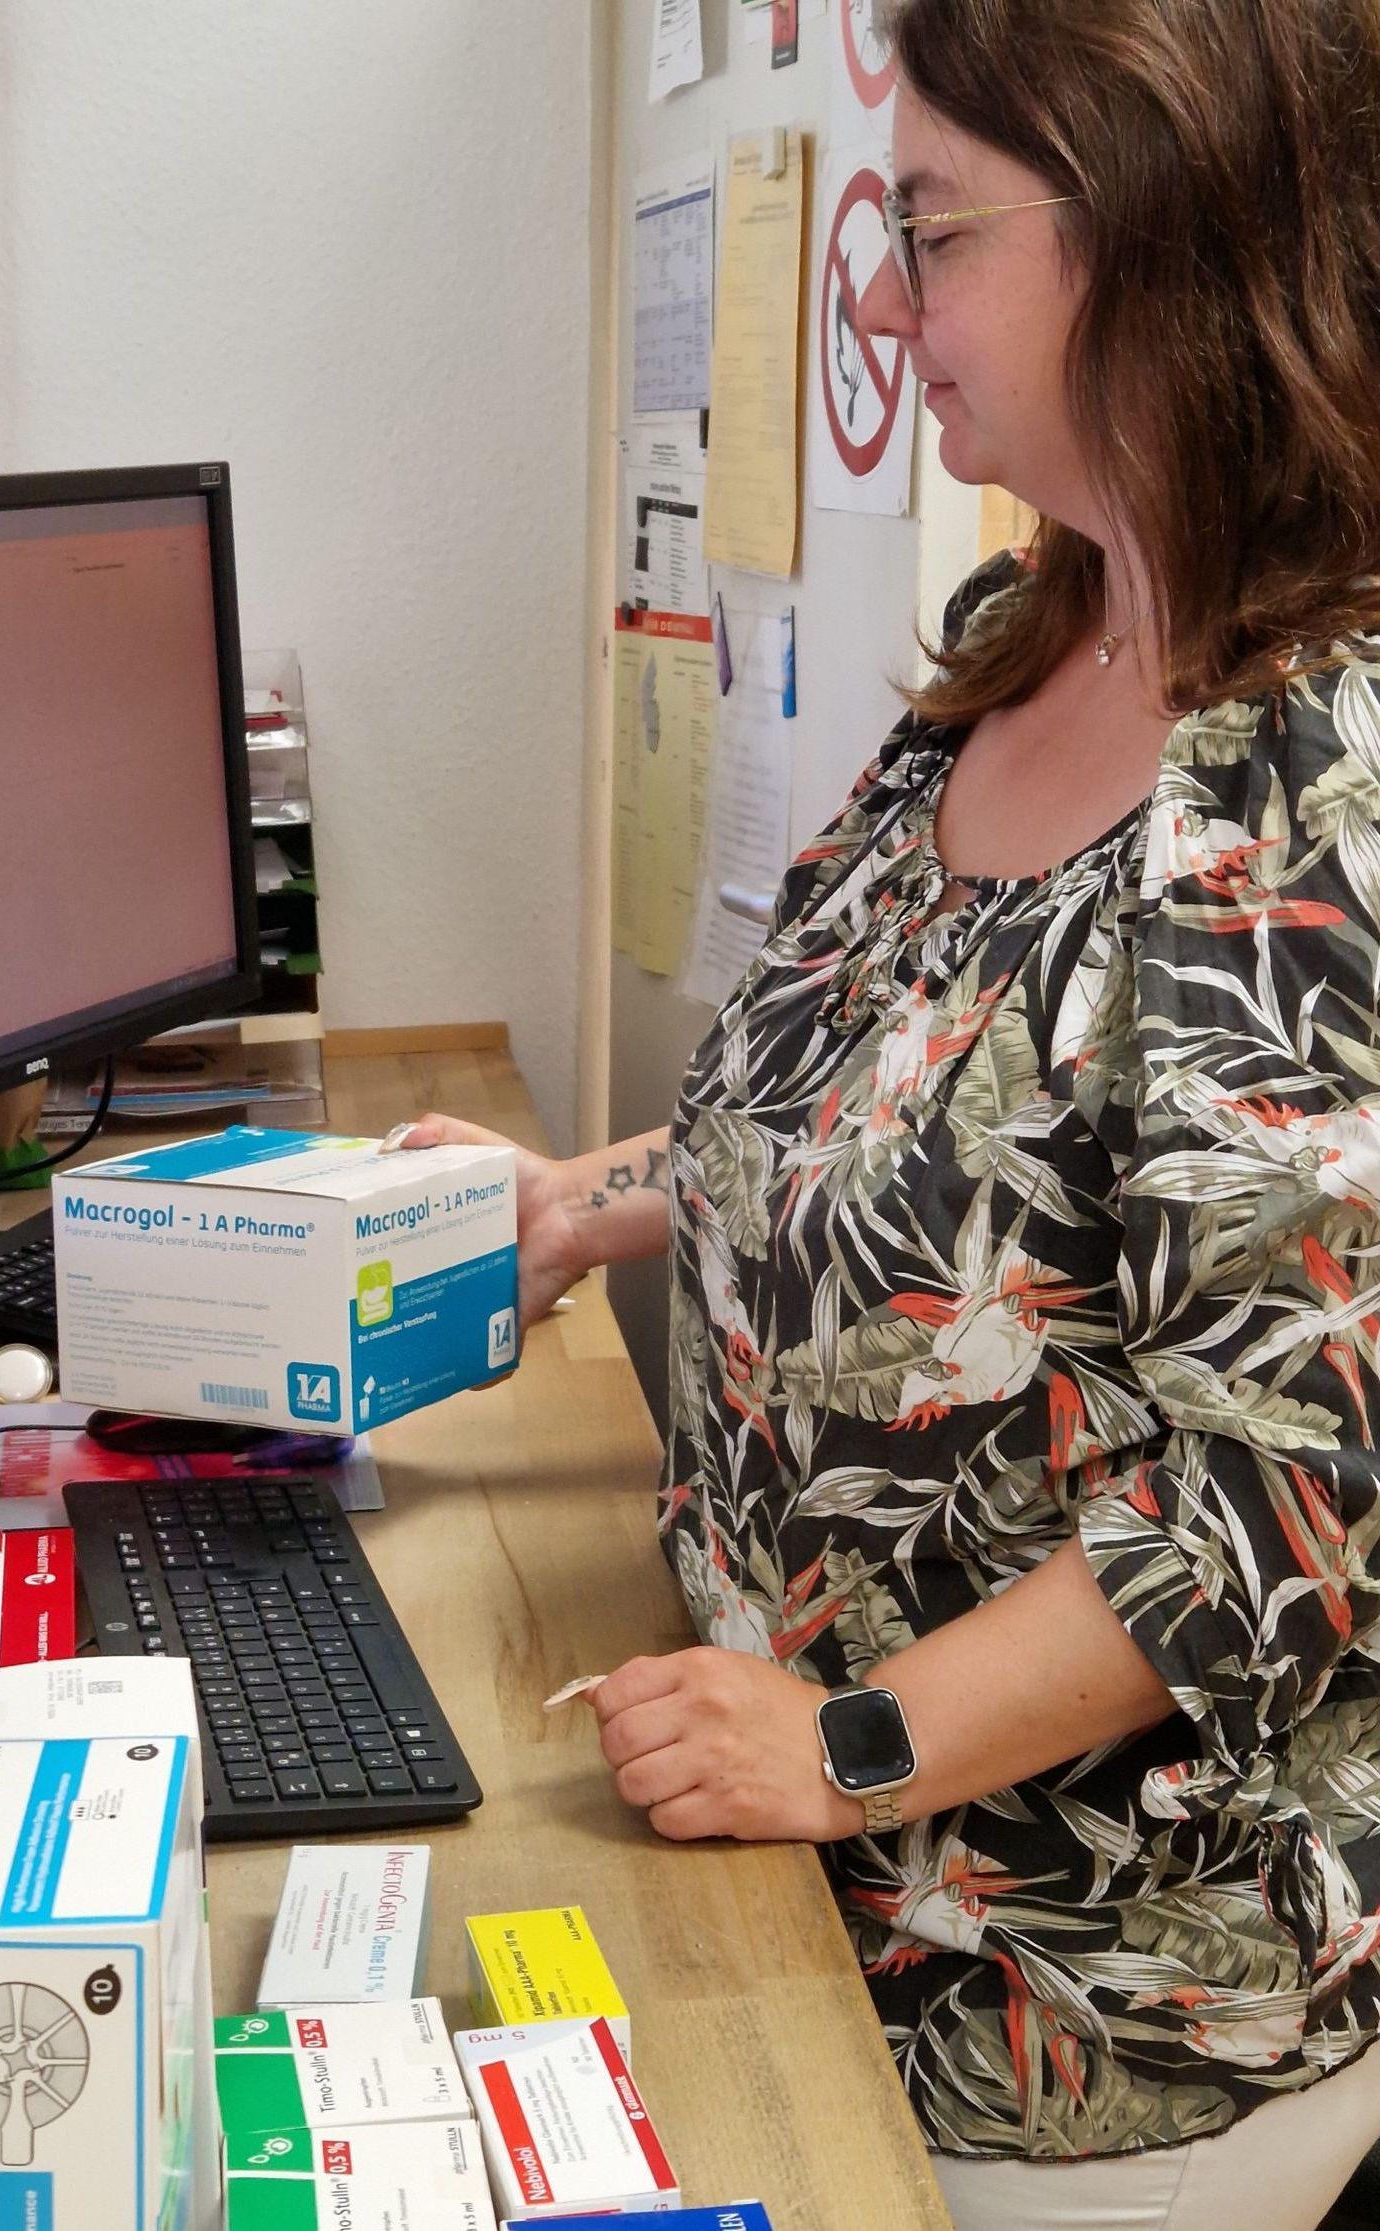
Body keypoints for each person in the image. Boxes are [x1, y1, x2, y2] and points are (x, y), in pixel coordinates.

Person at [390, 2, 1380, 2221]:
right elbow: (862, 1080)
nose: (872, 300)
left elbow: (1282, 1511)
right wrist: (579, 1200)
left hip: (1053, 2006)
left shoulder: (1317, 788)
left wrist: (840, 1748)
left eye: (929, 231)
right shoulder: (1041, 623)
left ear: (1158, 232)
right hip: (796, 1860)